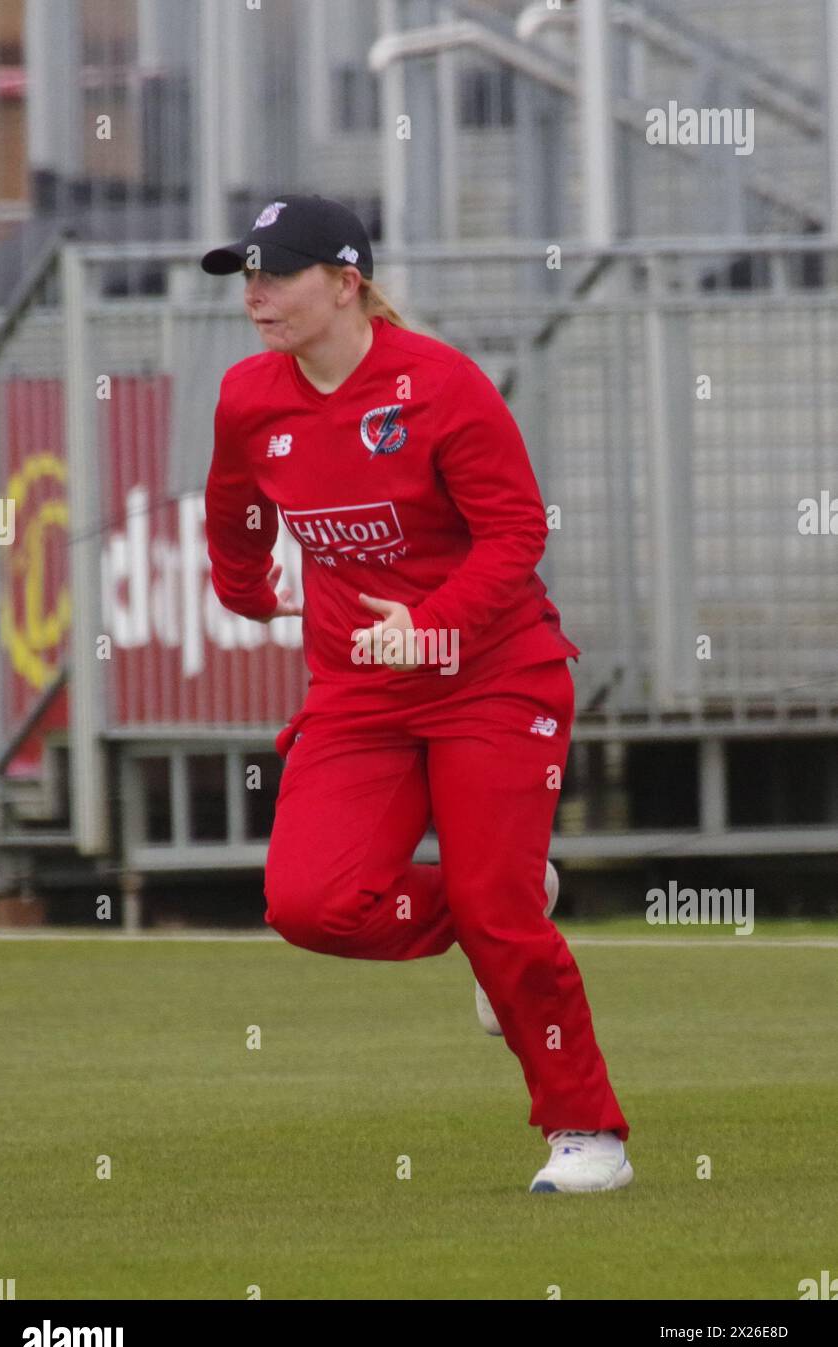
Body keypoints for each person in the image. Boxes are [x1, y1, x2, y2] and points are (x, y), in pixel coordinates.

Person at [201, 193, 632, 1193]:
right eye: (245, 276)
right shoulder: (247, 396)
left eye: (276, 273)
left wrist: (432, 622)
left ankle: (587, 1137)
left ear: (345, 282)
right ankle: (499, 915)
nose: (255, 294)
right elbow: (233, 510)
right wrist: (241, 587)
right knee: (310, 904)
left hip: (492, 674)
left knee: (495, 908)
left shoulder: (439, 385)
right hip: (357, 693)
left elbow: (515, 533)